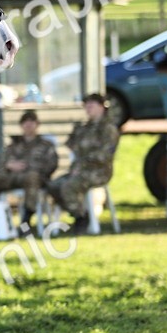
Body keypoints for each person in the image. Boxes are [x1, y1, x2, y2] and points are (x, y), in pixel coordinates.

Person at [47, 93, 120, 234]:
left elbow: (105, 155)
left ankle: (81, 220)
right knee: (53, 185)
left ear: (101, 107)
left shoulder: (108, 129)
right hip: (78, 171)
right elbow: (72, 147)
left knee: (69, 186)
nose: (88, 109)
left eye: (91, 105)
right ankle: (80, 213)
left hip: (98, 171)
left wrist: (83, 161)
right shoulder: (84, 128)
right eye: (86, 106)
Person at [0, 110, 58, 231]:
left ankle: (26, 220)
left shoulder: (46, 145)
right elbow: (1, 164)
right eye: (25, 122)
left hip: (34, 179)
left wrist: (29, 167)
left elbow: (52, 165)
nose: (28, 125)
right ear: (21, 125)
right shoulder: (13, 145)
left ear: (37, 124)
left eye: (32, 122)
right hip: (11, 177)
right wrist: (9, 165)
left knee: (32, 177)